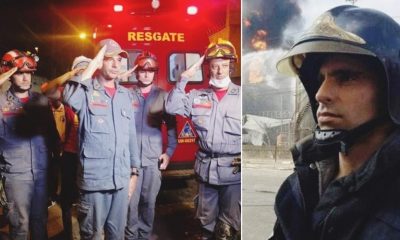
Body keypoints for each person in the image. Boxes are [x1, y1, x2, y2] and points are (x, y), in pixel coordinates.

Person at [271, 5, 400, 240]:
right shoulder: (301, 185)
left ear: (392, 90)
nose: (321, 94)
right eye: (320, 79)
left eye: (346, 77)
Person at [63, 39, 140, 239]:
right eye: (109, 59)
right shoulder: (86, 90)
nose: (116, 65)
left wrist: (134, 172)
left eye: (119, 60)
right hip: (94, 182)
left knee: (117, 234)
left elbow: (131, 134)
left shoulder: (125, 94)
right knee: (93, 235)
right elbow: (69, 97)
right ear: (99, 62)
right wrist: (92, 65)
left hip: (121, 180)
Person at [165, 38, 241, 240]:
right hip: (206, 169)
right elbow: (171, 107)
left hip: (234, 170)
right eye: (214, 66)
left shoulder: (243, 97)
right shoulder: (197, 96)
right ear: (208, 69)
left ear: (231, 68)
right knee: (206, 224)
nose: (219, 71)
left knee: (229, 226)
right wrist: (183, 80)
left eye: (224, 66)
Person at [0, 49, 59, 239]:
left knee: (40, 221)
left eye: (28, 73)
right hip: (16, 175)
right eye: (19, 73)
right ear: (9, 74)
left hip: (41, 173)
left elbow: (52, 137)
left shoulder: (41, 101)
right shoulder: (1, 103)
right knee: (19, 225)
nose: (26, 78)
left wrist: (53, 174)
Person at [125, 51, 177, 239]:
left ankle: (144, 236)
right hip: (130, 161)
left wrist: (168, 153)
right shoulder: (126, 95)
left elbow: (172, 129)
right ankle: (131, 237)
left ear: (155, 73)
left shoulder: (163, 96)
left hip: (152, 161)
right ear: (136, 73)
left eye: (151, 70)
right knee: (130, 204)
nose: (146, 74)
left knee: (148, 203)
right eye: (142, 70)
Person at [40, 55, 91, 240]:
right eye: (80, 69)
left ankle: (88, 232)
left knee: (88, 197)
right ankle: (69, 234)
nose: (84, 72)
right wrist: (71, 73)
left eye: (87, 68)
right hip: (71, 153)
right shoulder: (66, 91)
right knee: (68, 198)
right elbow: (46, 88)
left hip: (92, 154)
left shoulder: (95, 91)